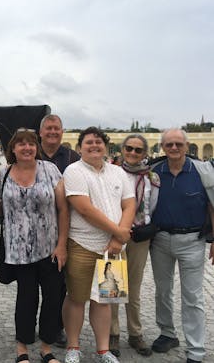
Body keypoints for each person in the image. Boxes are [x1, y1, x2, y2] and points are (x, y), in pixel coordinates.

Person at [62, 127, 135, 363]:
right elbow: (83, 208)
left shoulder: (119, 172)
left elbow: (129, 205)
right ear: (80, 147)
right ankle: (73, 346)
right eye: (88, 142)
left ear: (106, 146)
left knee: (105, 299)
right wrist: (120, 233)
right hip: (82, 243)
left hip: (114, 249)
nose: (94, 146)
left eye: (98, 142)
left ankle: (103, 349)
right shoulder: (73, 170)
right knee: (76, 298)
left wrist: (118, 239)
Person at [0, 128, 69, 363]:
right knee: (26, 299)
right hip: (19, 251)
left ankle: (46, 347)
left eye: (31, 143)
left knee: (52, 298)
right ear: (13, 149)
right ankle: (22, 348)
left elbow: (63, 209)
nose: (27, 148)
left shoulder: (50, 170)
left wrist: (62, 245)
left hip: (50, 248)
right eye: (21, 144)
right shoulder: (4, 174)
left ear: (36, 147)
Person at [149, 128, 214, 363]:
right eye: (169, 145)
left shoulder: (202, 171)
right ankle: (167, 333)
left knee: (193, 297)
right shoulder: (155, 172)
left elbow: (212, 205)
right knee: (162, 291)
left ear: (187, 146)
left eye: (178, 144)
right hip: (161, 240)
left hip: (193, 241)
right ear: (163, 147)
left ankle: (196, 349)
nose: (174, 148)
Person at [109, 134, 159, 357]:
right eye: (129, 148)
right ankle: (112, 334)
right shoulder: (110, 172)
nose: (132, 153)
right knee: (112, 286)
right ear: (122, 149)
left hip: (139, 236)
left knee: (134, 287)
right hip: (114, 234)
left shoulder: (152, 178)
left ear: (145, 154)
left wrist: (145, 227)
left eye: (138, 150)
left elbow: (152, 206)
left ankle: (135, 333)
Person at [39, 114, 80, 348]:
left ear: (62, 132)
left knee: (60, 282)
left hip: (66, 226)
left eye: (57, 128)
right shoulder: (31, 153)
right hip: (38, 228)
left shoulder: (73, 157)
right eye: (49, 128)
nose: (53, 132)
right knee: (33, 282)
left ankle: (56, 327)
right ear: (41, 132)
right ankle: (34, 324)